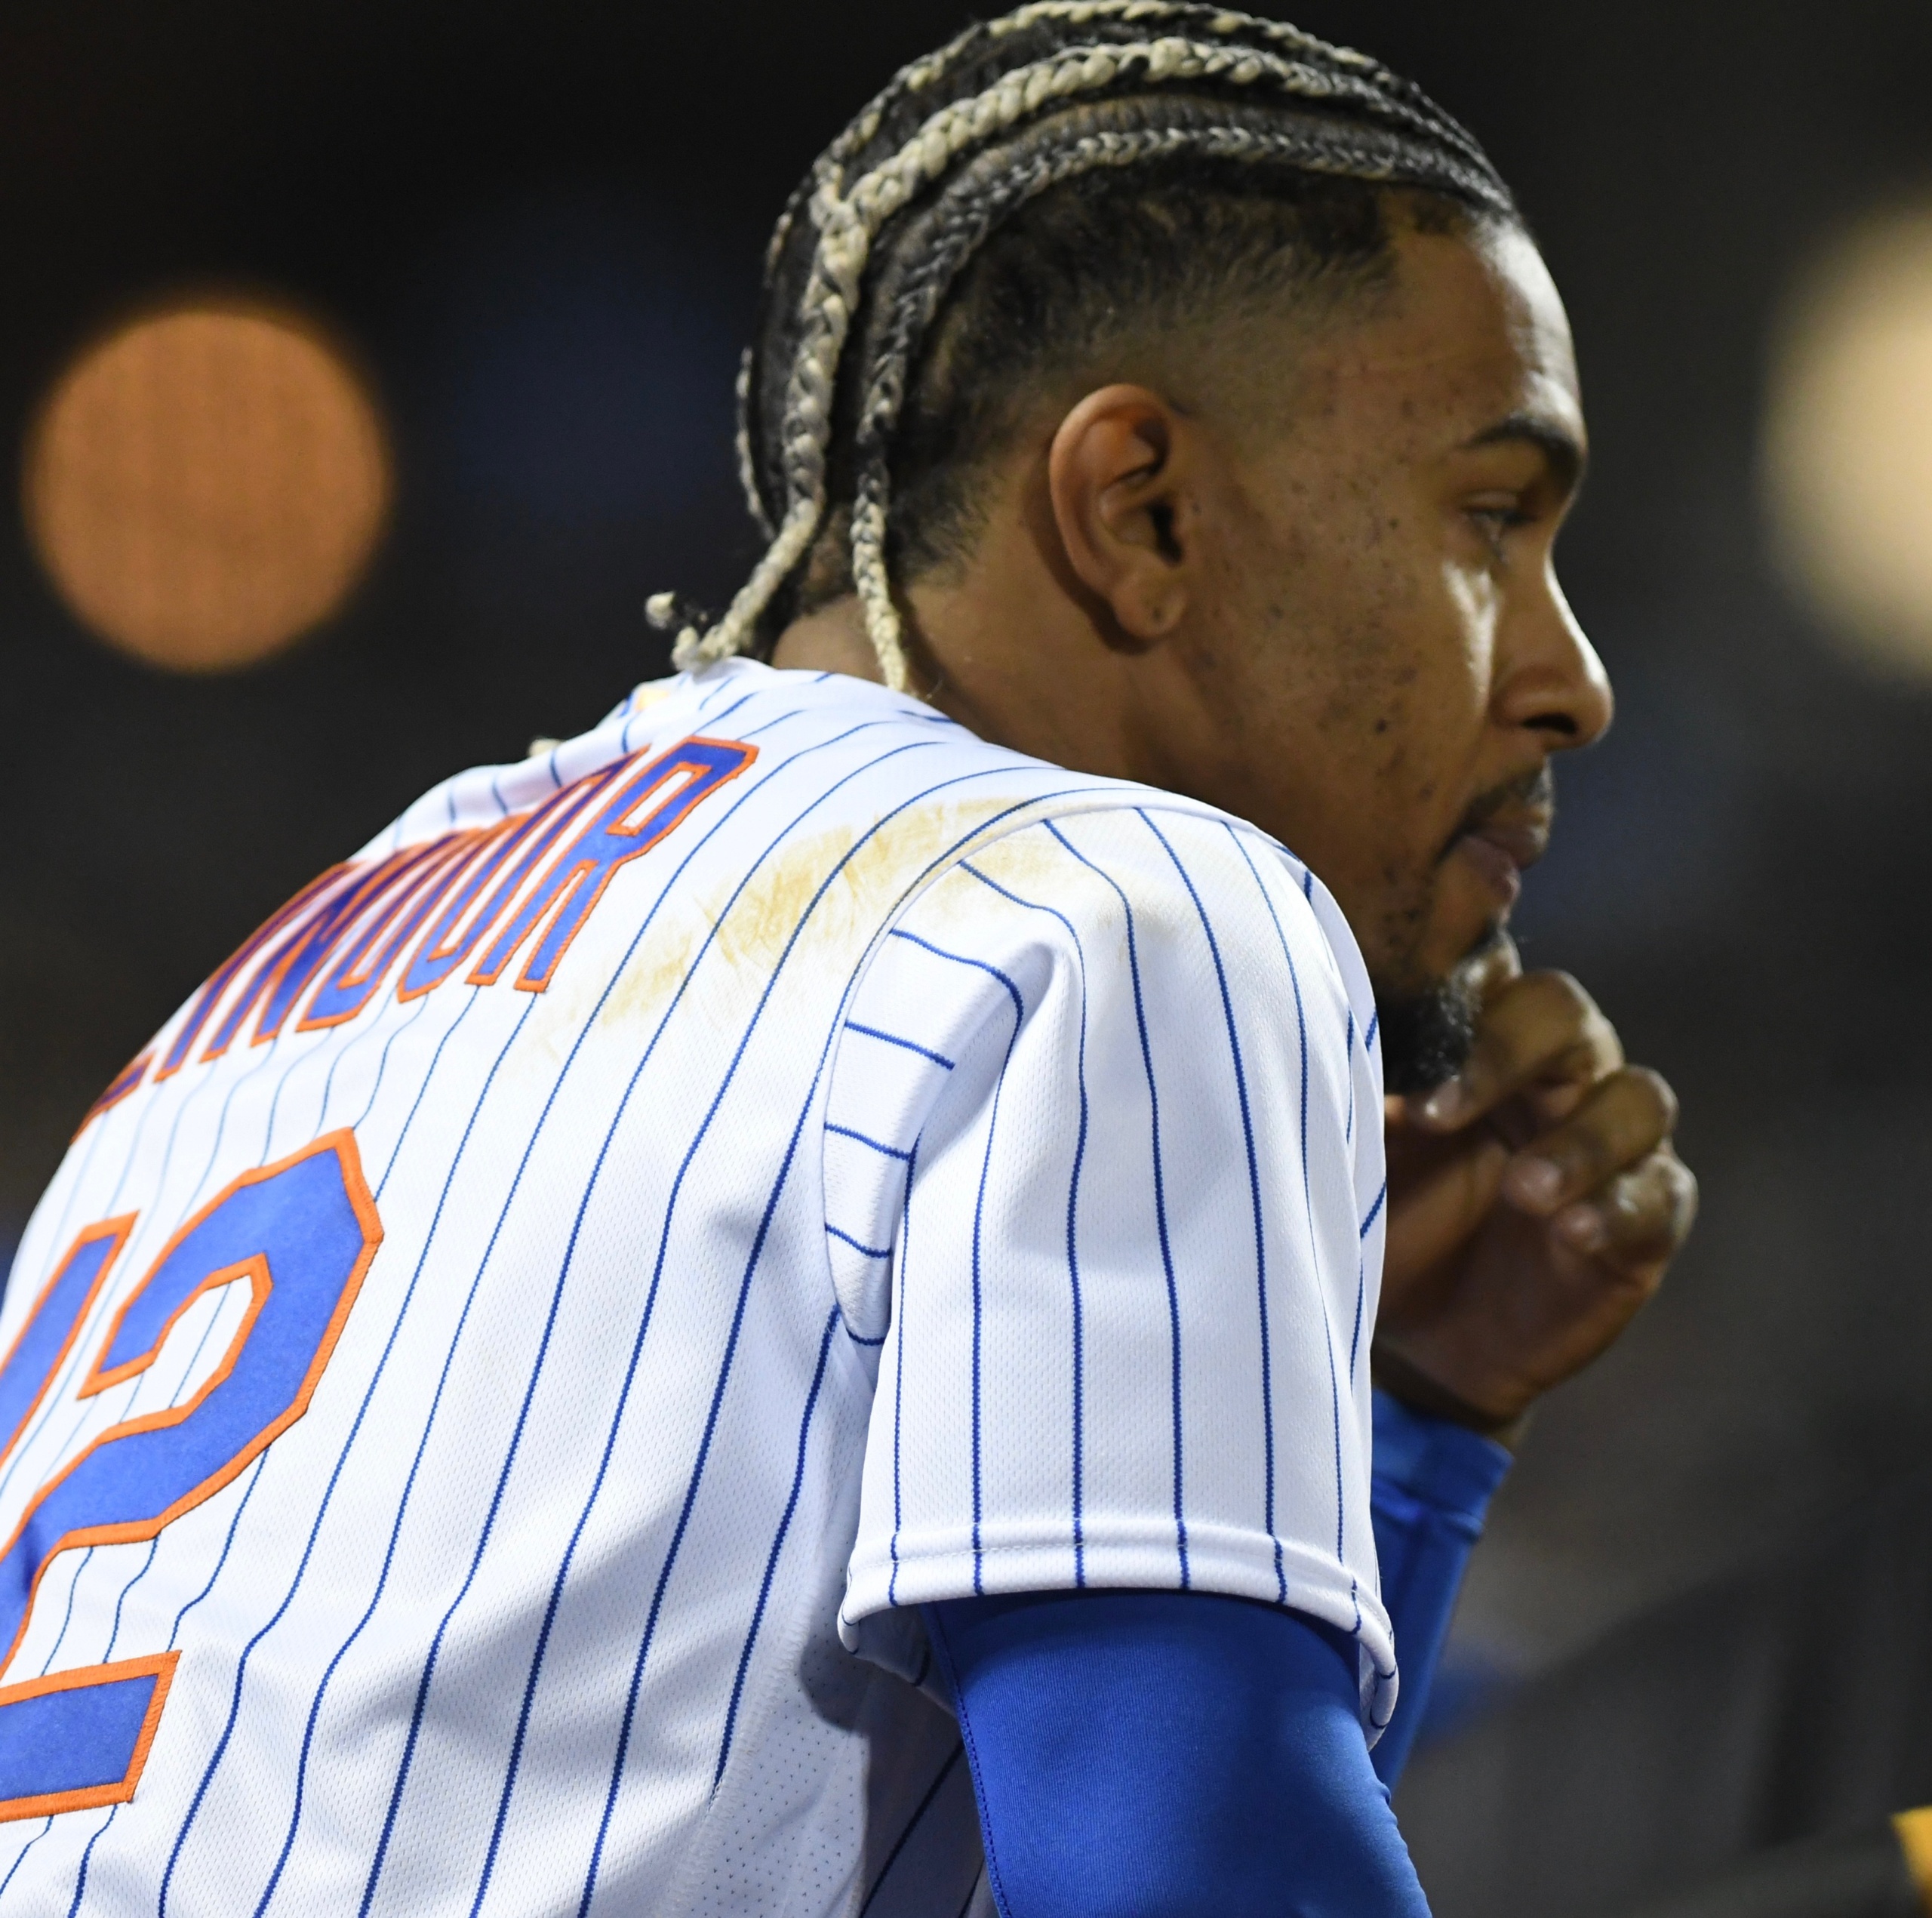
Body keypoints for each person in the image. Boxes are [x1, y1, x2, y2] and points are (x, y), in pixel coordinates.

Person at [0, 6, 1694, 1913]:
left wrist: (1389, 1424)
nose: (1568, 676)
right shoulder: (1114, 896)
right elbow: (1186, 1884)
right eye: (1489, 520)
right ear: (1137, 510)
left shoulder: (243, 1003)